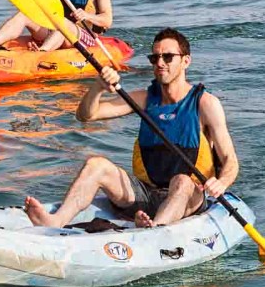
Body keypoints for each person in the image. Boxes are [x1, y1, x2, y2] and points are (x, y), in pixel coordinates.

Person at [24, 28, 240, 229]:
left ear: (186, 61)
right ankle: (55, 221)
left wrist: (221, 183)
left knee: (181, 180)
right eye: (155, 58)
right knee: (96, 165)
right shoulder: (144, 99)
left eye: (168, 57)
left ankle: (154, 230)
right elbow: (86, 116)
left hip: (190, 196)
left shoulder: (205, 104)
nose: (160, 63)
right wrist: (98, 87)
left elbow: (230, 160)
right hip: (147, 194)